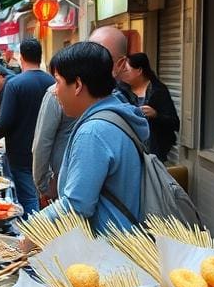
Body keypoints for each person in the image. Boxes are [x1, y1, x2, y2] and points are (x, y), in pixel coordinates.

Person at [40, 41, 150, 232]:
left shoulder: (93, 132)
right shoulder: (116, 115)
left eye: (57, 81)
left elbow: (76, 205)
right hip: (127, 236)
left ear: (77, 85)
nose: (55, 91)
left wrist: (31, 229)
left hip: (107, 246)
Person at [0, 39, 55, 216]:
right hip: (48, 150)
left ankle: (33, 236)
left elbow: (6, 121)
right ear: (40, 56)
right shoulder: (53, 82)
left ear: (21, 57)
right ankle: (45, 229)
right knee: (45, 195)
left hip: (20, 150)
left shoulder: (15, 84)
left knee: (27, 197)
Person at [122, 52, 180, 162]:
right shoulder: (122, 91)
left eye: (127, 70)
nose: (123, 73)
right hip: (128, 151)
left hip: (154, 153)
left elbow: (174, 123)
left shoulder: (158, 91)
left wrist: (156, 115)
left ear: (139, 70)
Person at [88, 25, 134, 103]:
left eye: (99, 58)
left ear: (120, 64)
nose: (89, 64)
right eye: (88, 56)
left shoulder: (121, 102)